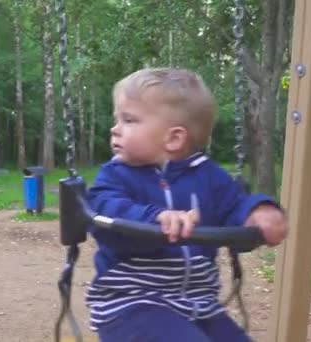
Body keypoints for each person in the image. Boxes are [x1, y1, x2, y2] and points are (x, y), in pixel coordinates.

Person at [85, 68, 288, 342]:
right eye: (117, 119)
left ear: (174, 138)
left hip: (199, 305)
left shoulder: (208, 176)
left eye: (129, 120)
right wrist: (157, 219)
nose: (115, 128)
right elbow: (106, 212)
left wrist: (258, 213)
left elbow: (234, 207)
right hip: (131, 304)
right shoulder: (114, 176)